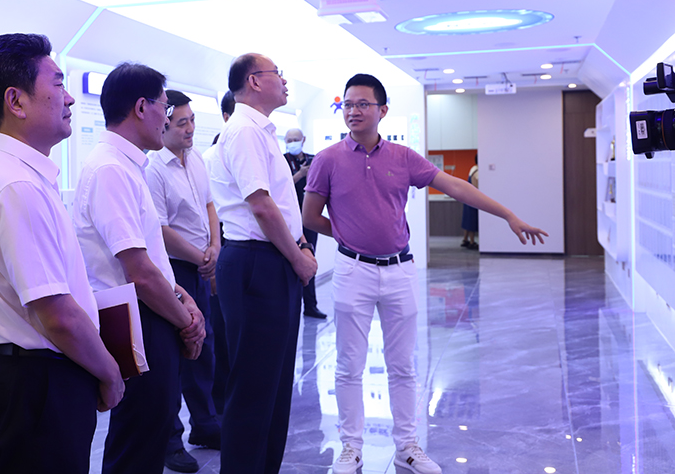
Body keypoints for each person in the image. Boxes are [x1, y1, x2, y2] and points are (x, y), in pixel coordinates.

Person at [303, 74, 548, 474]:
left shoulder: (403, 157)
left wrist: (508, 215)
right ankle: (351, 447)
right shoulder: (327, 160)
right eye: (347, 104)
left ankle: (407, 446)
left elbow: (456, 187)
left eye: (363, 104)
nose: (353, 111)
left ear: (382, 110)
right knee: (349, 364)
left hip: (399, 269)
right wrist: (348, 234)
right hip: (353, 270)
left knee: (403, 365)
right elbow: (310, 216)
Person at [0, 33, 124, 473]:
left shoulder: (8, 172)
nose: (69, 98)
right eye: (58, 84)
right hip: (35, 385)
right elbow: (56, 315)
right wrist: (109, 373)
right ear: (16, 101)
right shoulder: (17, 185)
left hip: (28, 380)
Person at [74, 63, 206, 474]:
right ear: (141, 107)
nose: (167, 119)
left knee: (150, 432)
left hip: (150, 312)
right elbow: (139, 272)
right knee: (138, 442)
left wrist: (182, 299)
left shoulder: (128, 165)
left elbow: (152, 260)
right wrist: (186, 320)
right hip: (136, 319)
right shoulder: (111, 169)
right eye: (165, 107)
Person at [208, 53, 318, 474]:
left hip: (272, 258)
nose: (285, 81)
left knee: (273, 384)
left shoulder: (261, 131)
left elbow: (280, 205)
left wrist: (300, 245)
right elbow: (261, 206)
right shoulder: (244, 130)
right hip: (256, 261)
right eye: (278, 74)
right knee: (254, 388)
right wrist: (298, 258)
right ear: (254, 81)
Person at [146, 90, 222, 473]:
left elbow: (209, 205)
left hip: (201, 265)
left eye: (192, 120)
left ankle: (205, 424)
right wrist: (200, 256)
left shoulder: (195, 160)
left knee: (203, 348)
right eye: (182, 123)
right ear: (163, 126)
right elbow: (159, 229)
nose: (190, 128)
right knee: (174, 356)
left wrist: (215, 247)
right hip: (174, 270)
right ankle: (170, 440)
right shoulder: (153, 168)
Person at [202, 89, 235, 415]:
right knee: (220, 336)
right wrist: (215, 251)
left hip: (235, 253)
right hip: (220, 252)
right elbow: (209, 212)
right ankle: (219, 408)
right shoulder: (210, 159)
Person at [283, 127, 327, 319]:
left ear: (304, 139)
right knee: (290, 262)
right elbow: (280, 188)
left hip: (310, 219)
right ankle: (291, 306)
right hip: (289, 221)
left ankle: (310, 305)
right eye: (289, 140)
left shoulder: (314, 160)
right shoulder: (283, 161)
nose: (293, 143)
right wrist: (300, 174)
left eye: (296, 139)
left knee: (310, 260)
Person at [461, 155, 479, 249]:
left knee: (467, 220)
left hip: (467, 198)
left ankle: (465, 239)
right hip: (473, 199)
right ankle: (472, 242)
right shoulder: (477, 172)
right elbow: (478, 186)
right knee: (472, 221)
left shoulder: (473, 169)